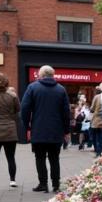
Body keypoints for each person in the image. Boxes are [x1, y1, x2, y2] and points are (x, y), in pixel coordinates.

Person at [21, 64, 70, 192]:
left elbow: (25, 109)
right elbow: (66, 112)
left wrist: (26, 126)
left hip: (38, 129)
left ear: (41, 75)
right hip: (56, 130)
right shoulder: (61, 89)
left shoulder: (32, 87)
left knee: (40, 157)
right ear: (52, 75)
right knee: (55, 158)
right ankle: (56, 184)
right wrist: (66, 130)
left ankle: (43, 183)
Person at [0, 73, 20, 189]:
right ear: (7, 83)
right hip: (10, 129)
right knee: (11, 157)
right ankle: (12, 180)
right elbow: (18, 110)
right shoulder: (12, 96)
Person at [88, 84, 102, 156]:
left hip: (96, 120)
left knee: (95, 136)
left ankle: (97, 151)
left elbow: (92, 109)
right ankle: (101, 150)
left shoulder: (96, 97)